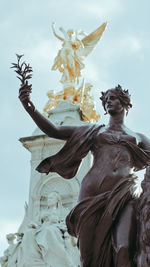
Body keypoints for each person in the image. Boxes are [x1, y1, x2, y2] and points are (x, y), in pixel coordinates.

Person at [19, 83, 150, 266]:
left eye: (112, 98)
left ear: (125, 102)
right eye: (106, 100)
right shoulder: (95, 131)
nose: (108, 102)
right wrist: (29, 107)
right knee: (87, 258)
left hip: (124, 195)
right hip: (92, 195)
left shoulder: (139, 137)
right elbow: (54, 131)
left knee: (124, 248)